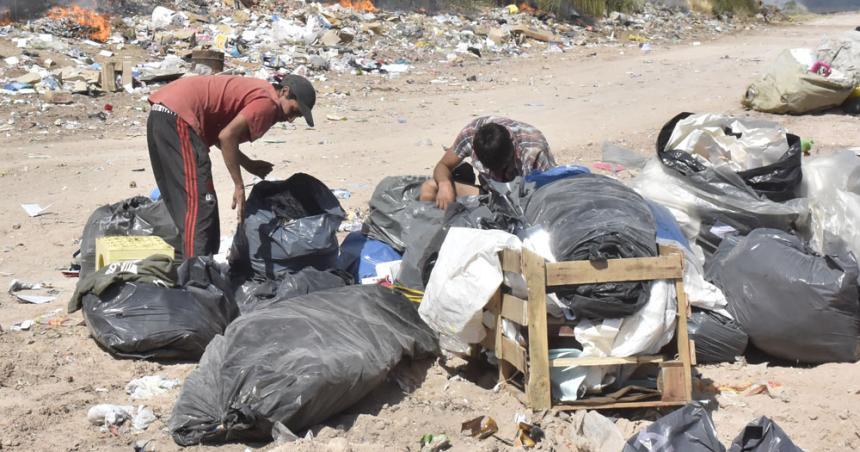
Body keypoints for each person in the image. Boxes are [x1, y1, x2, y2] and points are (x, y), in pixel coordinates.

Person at [146, 74, 316, 258]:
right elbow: (227, 137)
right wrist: (239, 186)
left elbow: (222, 136)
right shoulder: (269, 103)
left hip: (164, 112)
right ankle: (196, 271)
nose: (290, 119)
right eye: (293, 111)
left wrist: (249, 164)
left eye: (296, 116)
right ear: (284, 92)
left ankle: (188, 264)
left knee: (186, 203)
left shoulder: (261, 92)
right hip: (178, 117)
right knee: (200, 204)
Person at [420, 116, 556, 209]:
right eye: (492, 170)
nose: (498, 175)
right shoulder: (470, 134)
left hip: (524, 201)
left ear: (514, 147)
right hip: (491, 195)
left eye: (504, 168)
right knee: (430, 188)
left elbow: (551, 193)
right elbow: (443, 166)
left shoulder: (534, 148)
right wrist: (445, 185)